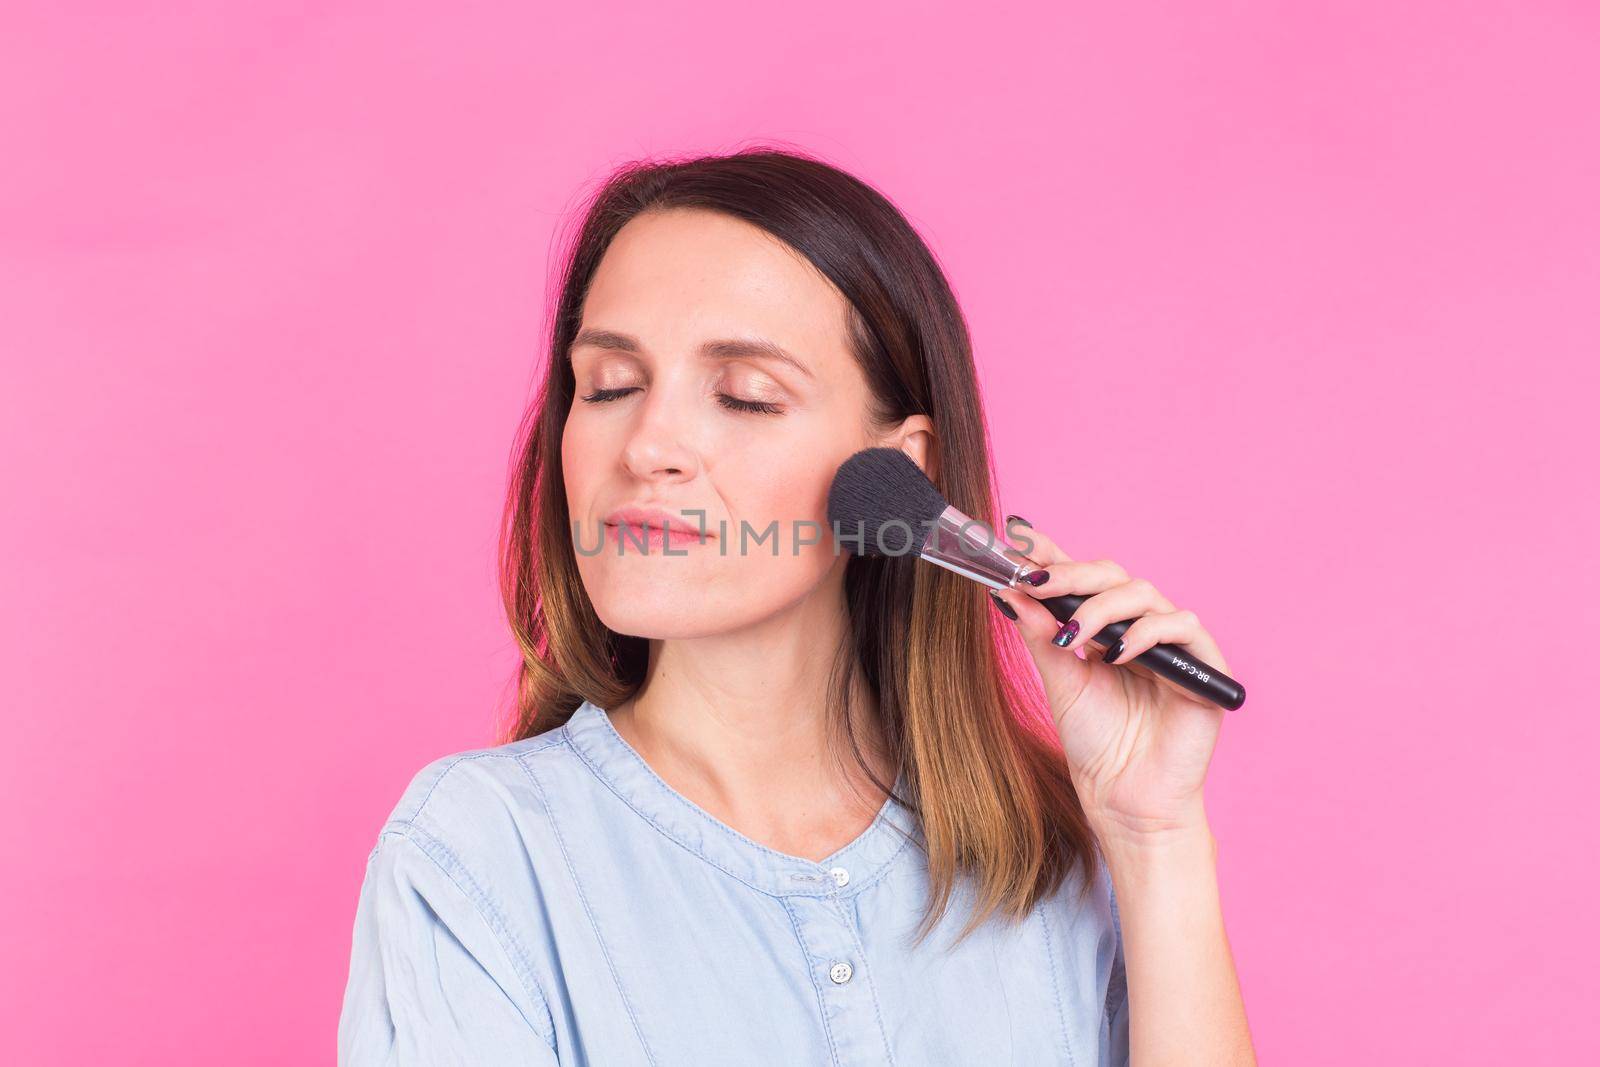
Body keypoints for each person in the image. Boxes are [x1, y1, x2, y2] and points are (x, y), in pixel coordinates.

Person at [336, 147, 1256, 1066]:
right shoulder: (479, 855)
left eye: (744, 397)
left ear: (900, 475)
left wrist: (1154, 836)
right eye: (609, 385)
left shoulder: (1056, 853)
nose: (649, 445)